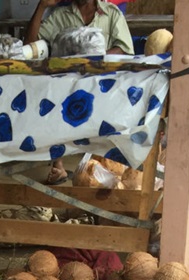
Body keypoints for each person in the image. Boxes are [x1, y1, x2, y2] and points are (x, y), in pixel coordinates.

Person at [25, 0, 134, 184]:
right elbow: (30, 44)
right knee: (52, 101)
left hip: (101, 86)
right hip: (67, 87)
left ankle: (110, 167)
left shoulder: (111, 13)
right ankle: (58, 166)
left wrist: (92, 57)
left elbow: (125, 49)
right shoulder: (60, 15)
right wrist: (42, 6)